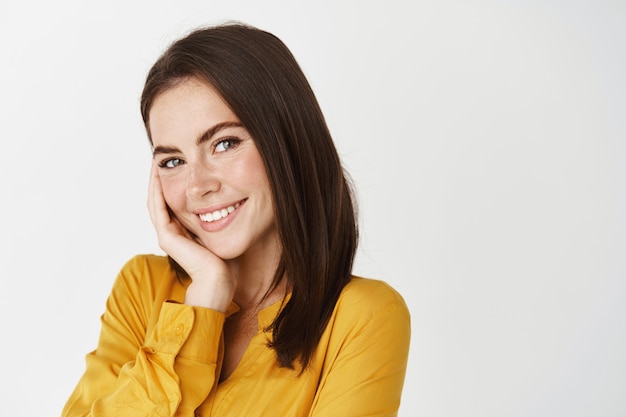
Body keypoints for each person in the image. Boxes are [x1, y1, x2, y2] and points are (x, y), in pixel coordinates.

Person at [62, 22, 411, 417]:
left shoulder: (362, 317)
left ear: (287, 140)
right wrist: (203, 302)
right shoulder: (143, 289)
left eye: (224, 143)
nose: (197, 186)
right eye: (173, 161)